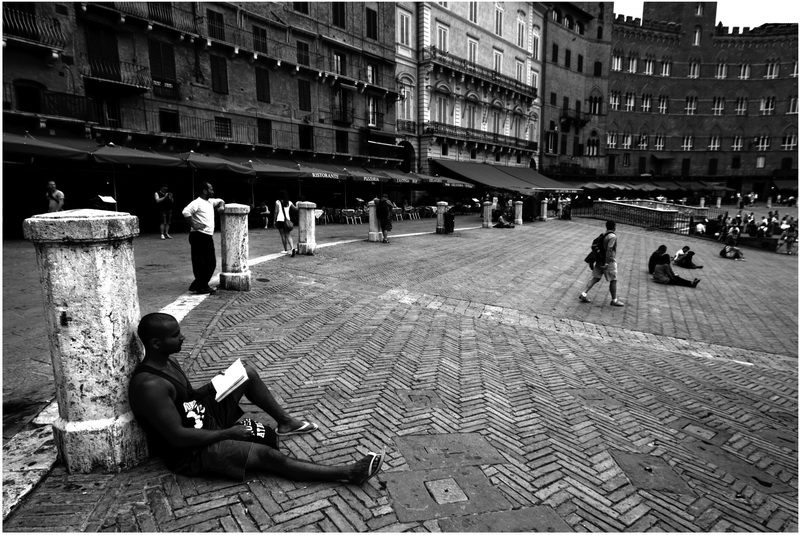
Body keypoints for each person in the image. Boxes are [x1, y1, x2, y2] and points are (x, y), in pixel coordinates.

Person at [129, 313, 384, 484]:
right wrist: (228, 433)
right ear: (155, 342)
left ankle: (286, 422)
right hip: (191, 450)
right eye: (175, 335)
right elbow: (177, 437)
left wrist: (218, 383)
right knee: (269, 457)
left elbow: (191, 397)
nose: (182, 337)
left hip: (201, 417)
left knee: (245, 373)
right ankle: (348, 473)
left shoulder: (167, 361)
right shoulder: (150, 385)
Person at [182, 182, 225, 295]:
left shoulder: (210, 202)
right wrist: (194, 225)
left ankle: (199, 285)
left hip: (206, 235)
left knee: (210, 262)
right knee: (201, 263)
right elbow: (185, 211)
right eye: (211, 189)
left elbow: (221, 200)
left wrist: (221, 206)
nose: (213, 191)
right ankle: (201, 286)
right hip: (198, 235)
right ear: (205, 191)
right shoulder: (197, 202)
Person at [579, 220, 624, 307]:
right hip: (609, 261)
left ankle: (584, 293)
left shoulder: (604, 234)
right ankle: (614, 300)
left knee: (596, 278)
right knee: (613, 280)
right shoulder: (612, 236)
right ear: (614, 226)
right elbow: (609, 249)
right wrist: (607, 263)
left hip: (600, 259)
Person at [274, 191, 297, 256]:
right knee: (288, 235)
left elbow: (276, 211)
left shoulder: (278, 202)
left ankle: (285, 249)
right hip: (287, 220)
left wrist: (274, 220)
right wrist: (298, 204)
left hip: (280, 220)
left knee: (283, 235)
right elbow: (295, 209)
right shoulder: (289, 202)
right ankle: (292, 248)